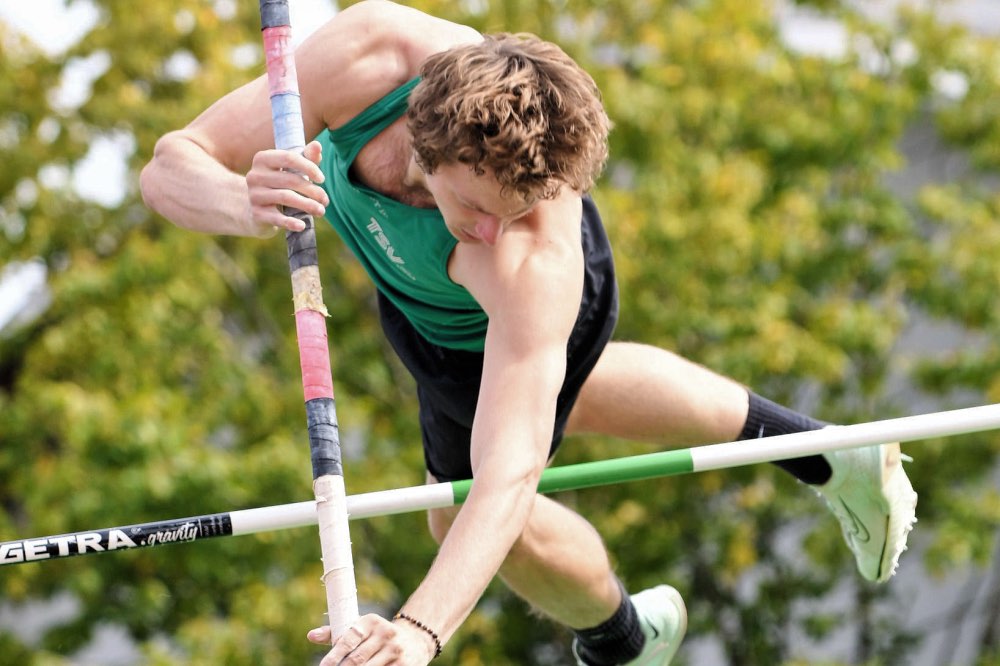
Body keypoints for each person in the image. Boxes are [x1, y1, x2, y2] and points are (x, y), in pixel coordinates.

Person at [139, 2, 918, 664]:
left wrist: (417, 632)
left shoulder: (530, 253)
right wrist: (243, 201)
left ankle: (624, 641)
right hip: (419, 311)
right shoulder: (366, 53)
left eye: (511, 212)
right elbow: (171, 164)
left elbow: (507, 476)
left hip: (530, 317)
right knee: (532, 435)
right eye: (478, 207)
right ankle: (826, 451)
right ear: (428, 140)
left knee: (474, 510)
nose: (488, 231)